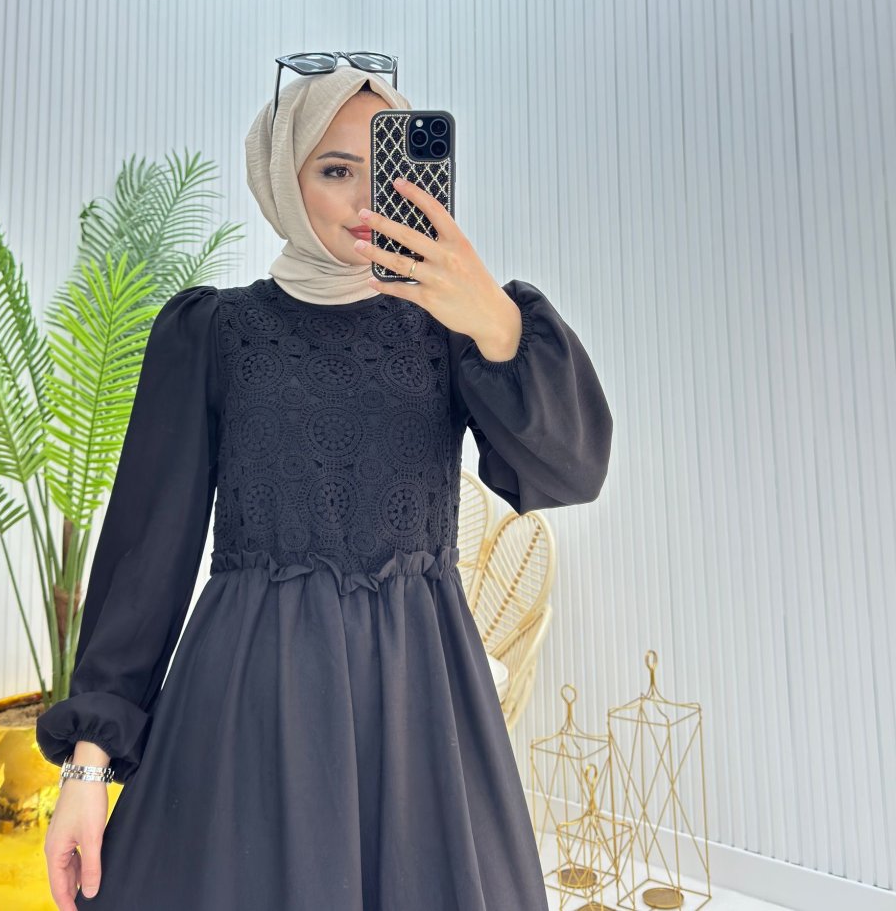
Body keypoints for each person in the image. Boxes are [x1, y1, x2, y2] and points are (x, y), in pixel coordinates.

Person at [36, 64, 614, 911]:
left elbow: (572, 469)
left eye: (386, 170)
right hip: (248, 709)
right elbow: (144, 562)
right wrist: (87, 771)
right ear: (283, 176)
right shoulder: (215, 333)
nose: (366, 199)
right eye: (336, 169)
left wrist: (494, 318)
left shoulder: (455, 331)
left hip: (419, 710)